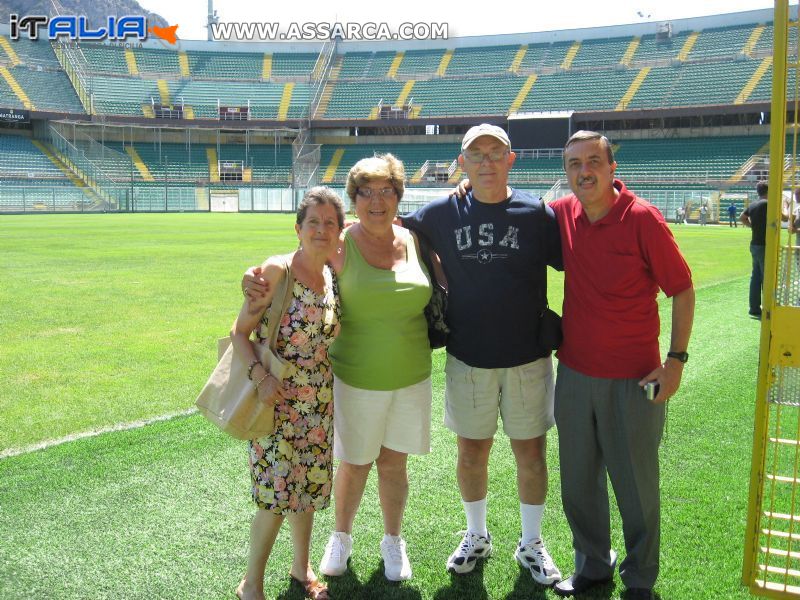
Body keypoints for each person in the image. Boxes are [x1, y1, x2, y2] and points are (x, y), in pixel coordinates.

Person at [244, 154, 433, 583]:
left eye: (386, 190)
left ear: (399, 196)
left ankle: (392, 541)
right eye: (365, 191)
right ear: (355, 200)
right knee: (354, 462)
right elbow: (298, 255)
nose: (376, 200)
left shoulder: (413, 239)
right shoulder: (342, 242)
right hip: (354, 376)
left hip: (410, 375)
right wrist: (251, 275)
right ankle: (341, 538)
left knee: (394, 463)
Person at [403, 124, 564, 586]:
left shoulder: (536, 214)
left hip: (528, 356)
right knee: (472, 453)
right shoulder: (440, 211)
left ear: (511, 160)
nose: (487, 161)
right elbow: (383, 224)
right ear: (462, 163)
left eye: (496, 153)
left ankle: (531, 541)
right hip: (468, 356)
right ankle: (477, 534)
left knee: (530, 453)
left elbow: (578, 255)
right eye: (477, 155)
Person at [548, 131, 695, 600]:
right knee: (577, 482)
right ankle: (593, 566)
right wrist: (467, 187)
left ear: (613, 168)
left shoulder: (643, 218)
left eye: (593, 161)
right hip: (572, 373)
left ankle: (640, 579)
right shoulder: (563, 213)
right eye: (574, 163)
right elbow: (509, 203)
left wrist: (675, 361)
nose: (583, 171)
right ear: (566, 172)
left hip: (635, 379)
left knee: (635, 484)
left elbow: (682, 290)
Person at [232, 187, 344, 600]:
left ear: (339, 231)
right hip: (276, 402)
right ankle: (251, 584)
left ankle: (302, 569)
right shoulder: (276, 271)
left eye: (329, 222)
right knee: (276, 497)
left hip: (318, 403)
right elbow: (239, 334)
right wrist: (262, 378)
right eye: (312, 222)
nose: (321, 229)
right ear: (298, 229)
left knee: (309, 490)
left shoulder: (331, 273)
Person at [740, 181, 769, 319]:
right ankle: (768, 307)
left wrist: (753, 226)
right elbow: (784, 217)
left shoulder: (753, 204)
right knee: (767, 277)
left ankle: (754, 308)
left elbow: (742, 218)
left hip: (755, 244)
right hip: (765, 244)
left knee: (755, 277)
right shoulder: (768, 204)